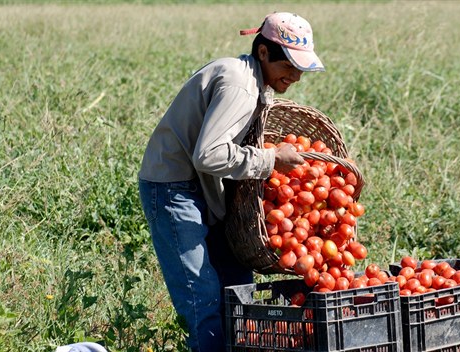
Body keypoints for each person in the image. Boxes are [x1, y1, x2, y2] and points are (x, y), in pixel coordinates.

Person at [137, 12, 325, 351]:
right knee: (202, 295)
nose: (296, 76)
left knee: (237, 286)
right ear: (264, 52)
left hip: (202, 188)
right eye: (290, 66)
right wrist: (270, 160)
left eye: (301, 68)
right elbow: (208, 155)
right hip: (173, 188)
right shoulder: (240, 85)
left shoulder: (252, 78)